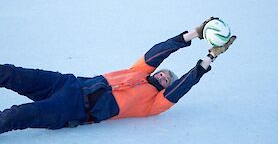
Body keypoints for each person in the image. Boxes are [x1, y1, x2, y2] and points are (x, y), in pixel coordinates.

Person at [0, 17, 236, 134]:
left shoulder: (153, 104)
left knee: (18, 115)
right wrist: (195, 33)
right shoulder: (138, 71)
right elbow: (159, 51)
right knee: (11, 73)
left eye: (167, 80)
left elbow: (182, 85)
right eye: (164, 73)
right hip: (66, 82)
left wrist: (209, 58)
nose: (164, 76)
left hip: (75, 108)